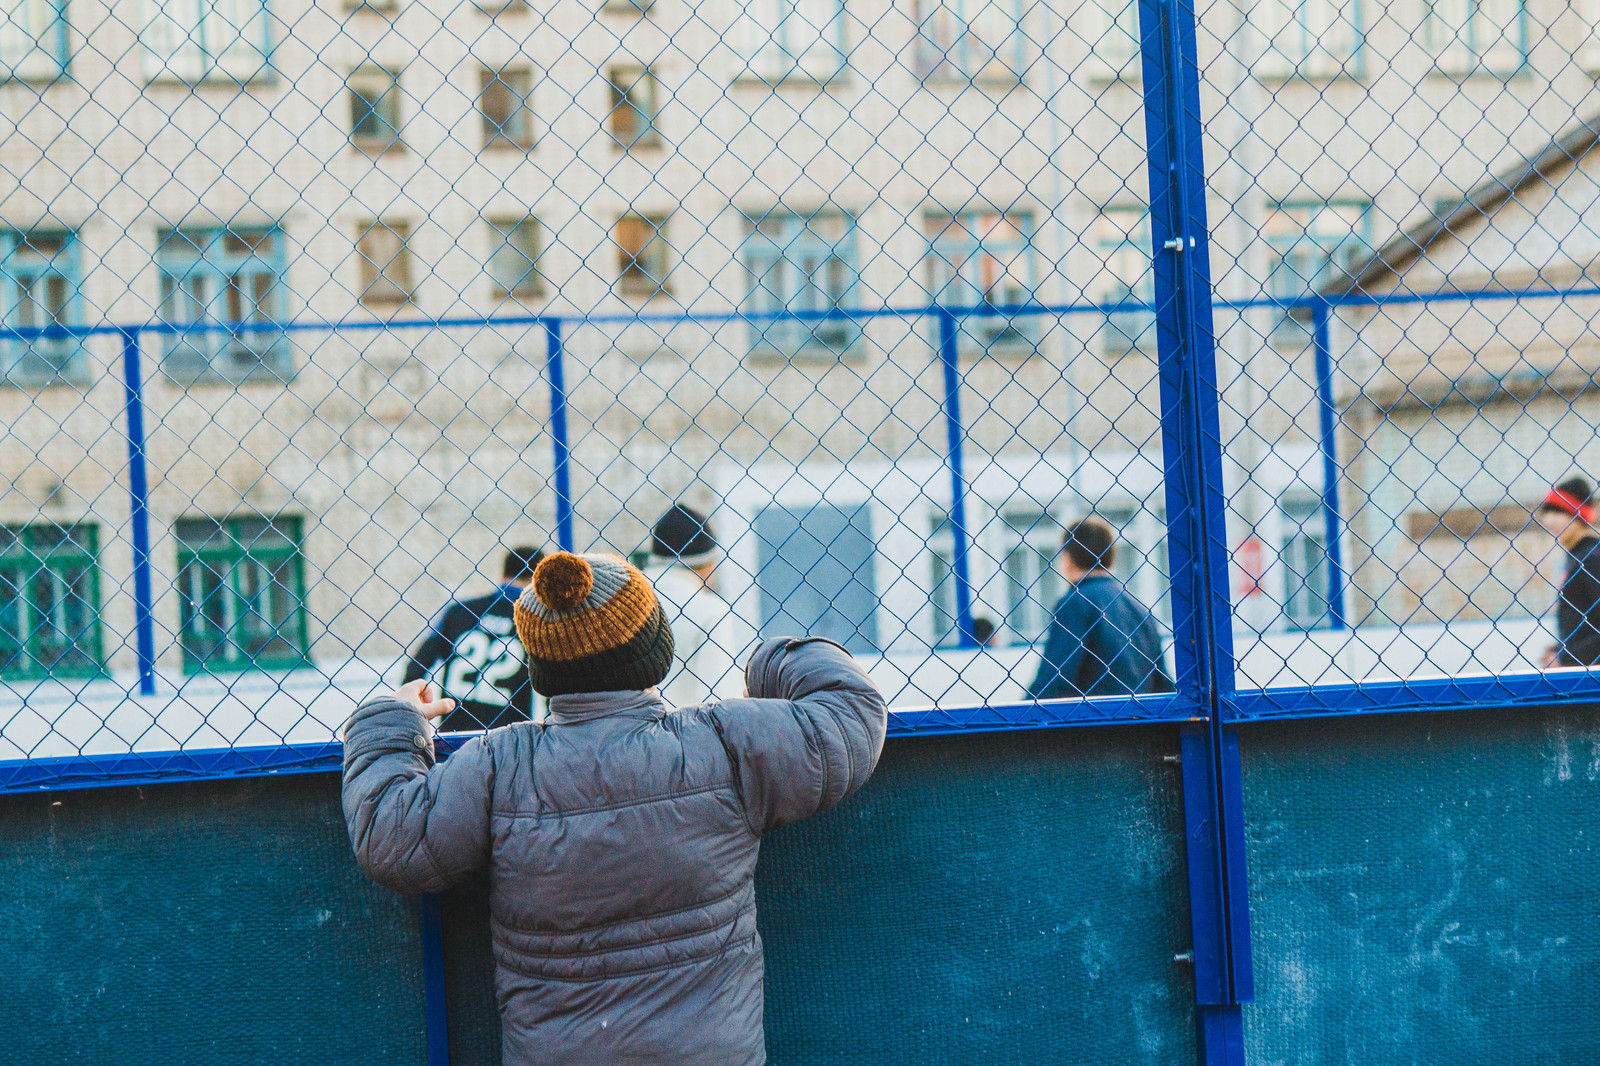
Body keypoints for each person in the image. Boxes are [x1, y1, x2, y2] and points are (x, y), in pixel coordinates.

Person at [343, 551, 887, 1065]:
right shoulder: (721, 741)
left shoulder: (497, 763)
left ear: (540, 666)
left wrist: (388, 723)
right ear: (656, 648)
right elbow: (850, 714)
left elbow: (393, 839)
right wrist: (773, 660)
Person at [1025, 516, 1172, 699]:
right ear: (1111, 556)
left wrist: (1014, 719)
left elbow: (1054, 680)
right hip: (1140, 720)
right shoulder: (1139, 608)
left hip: (1094, 723)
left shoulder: (1075, 603)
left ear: (1067, 557)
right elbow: (1163, 683)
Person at [401, 545, 543, 731]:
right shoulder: (535, 622)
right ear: (539, 580)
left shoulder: (459, 610)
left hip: (454, 735)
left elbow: (416, 668)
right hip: (508, 739)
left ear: (502, 575)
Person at [646, 503, 751, 706]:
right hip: (682, 734)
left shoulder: (622, 603)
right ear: (709, 564)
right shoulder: (710, 611)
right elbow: (720, 702)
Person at [1538, 476, 1600, 667]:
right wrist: (1560, 650)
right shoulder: (1577, 557)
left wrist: (1565, 658)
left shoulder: (1592, 558)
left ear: (1579, 515)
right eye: (1547, 512)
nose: (1549, 520)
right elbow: (1585, 625)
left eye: (1559, 511)